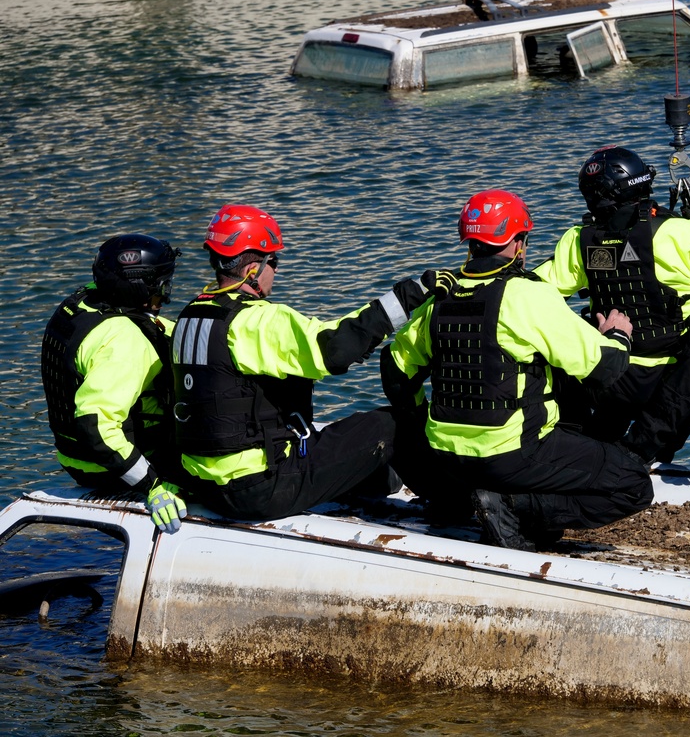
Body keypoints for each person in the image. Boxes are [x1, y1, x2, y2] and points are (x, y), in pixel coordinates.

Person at [380, 189, 654, 552]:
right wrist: (618, 334)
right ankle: (512, 507)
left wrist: (420, 416)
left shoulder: (440, 297)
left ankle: (491, 502)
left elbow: (395, 369)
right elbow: (604, 368)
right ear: (518, 242)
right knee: (634, 483)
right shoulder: (527, 295)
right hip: (511, 455)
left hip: (447, 456)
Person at [171, 204, 454, 524]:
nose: (275, 270)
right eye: (273, 261)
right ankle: (457, 507)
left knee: (374, 470)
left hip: (205, 484)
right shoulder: (256, 321)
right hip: (258, 489)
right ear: (253, 268)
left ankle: (377, 483)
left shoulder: (190, 315)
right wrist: (407, 297)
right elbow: (336, 348)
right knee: (390, 425)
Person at [532, 145, 690, 457]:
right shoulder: (680, 232)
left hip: (609, 376)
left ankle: (583, 444)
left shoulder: (578, 240)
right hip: (669, 376)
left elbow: (533, 291)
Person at [41, 234, 189, 532]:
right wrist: (153, 485)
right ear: (137, 288)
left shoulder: (80, 307)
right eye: (161, 287)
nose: (165, 295)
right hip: (110, 467)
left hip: (75, 459)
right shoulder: (124, 343)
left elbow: (145, 328)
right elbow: (95, 427)